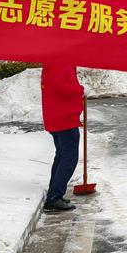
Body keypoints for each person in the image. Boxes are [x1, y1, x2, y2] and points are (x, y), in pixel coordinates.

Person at [40, 63, 84, 213]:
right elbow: (60, 88)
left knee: (61, 156)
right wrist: (80, 89)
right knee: (69, 158)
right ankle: (54, 198)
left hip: (59, 117)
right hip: (64, 118)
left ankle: (54, 193)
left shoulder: (56, 61)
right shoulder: (60, 62)